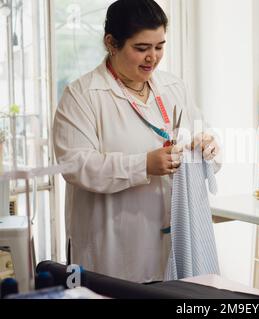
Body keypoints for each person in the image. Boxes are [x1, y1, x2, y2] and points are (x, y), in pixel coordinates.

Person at [53, 0, 220, 283]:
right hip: (113, 254)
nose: (152, 58)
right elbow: (75, 165)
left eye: (159, 47)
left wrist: (207, 148)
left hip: (175, 246)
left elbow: (199, 139)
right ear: (111, 43)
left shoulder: (172, 87)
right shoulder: (82, 95)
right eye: (141, 48)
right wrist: (143, 165)